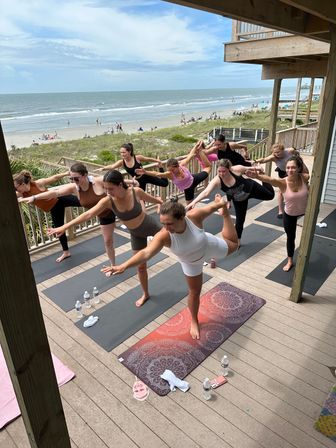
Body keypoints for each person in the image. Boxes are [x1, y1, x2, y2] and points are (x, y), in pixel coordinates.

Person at [102, 195, 238, 340]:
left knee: (234, 245)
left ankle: (226, 216)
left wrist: (222, 204)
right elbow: (146, 253)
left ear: (182, 218)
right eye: (163, 224)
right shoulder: (163, 236)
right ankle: (194, 320)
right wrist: (124, 265)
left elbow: (212, 207)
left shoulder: (194, 216)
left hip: (209, 247)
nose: (166, 228)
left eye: (169, 224)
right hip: (190, 262)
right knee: (194, 292)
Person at [48, 170, 163, 306]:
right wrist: (64, 227)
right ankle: (145, 294)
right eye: (105, 188)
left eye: (111, 189)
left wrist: (160, 202)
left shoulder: (135, 192)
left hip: (151, 226)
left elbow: (152, 199)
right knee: (141, 267)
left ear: (120, 184)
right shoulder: (108, 201)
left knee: (176, 244)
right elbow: (88, 214)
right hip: (136, 234)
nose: (108, 192)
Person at [26, 163, 130, 266]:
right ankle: (113, 266)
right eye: (71, 179)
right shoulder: (74, 188)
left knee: (136, 232)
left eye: (76, 178)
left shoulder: (98, 181)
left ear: (85, 175)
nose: (73, 181)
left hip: (119, 208)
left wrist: (132, 182)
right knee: (108, 241)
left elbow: (117, 182)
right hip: (104, 216)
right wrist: (35, 197)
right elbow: (55, 193)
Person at [187, 159, 275, 247]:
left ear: (229, 169)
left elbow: (252, 168)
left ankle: (264, 177)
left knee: (270, 196)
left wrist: (259, 170)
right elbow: (206, 192)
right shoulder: (217, 180)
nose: (221, 174)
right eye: (219, 171)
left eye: (224, 171)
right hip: (239, 199)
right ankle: (238, 241)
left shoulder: (237, 169)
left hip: (251, 189)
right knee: (240, 220)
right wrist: (193, 202)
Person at [246, 155, 309, 272]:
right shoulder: (283, 183)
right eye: (288, 167)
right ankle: (290, 260)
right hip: (290, 214)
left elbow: (309, 173)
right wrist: (258, 176)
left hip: (306, 212)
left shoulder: (304, 178)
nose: (290, 170)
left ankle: (305, 254)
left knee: (309, 235)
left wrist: (298, 156)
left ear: (299, 168)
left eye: (293, 167)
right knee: (291, 237)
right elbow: (270, 180)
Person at [14, 170, 80, 262]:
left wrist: (66, 173)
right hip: (54, 209)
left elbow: (54, 178)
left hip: (60, 199)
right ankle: (66, 252)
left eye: (16, 188)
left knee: (84, 202)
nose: (16, 190)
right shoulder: (22, 193)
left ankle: (103, 205)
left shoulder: (37, 184)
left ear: (22, 184)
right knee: (59, 230)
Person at [135, 142, 211, 204]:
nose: (171, 171)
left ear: (177, 166)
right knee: (189, 206)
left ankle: (201, 151)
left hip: (194, 179)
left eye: (172, 169)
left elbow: (190, 155)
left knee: (208, 168)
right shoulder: (170, 174)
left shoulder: (182, 165)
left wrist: (196, 146)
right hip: (188, 189)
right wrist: (145, 172)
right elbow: (157, 174)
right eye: (169, 170)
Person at [99, 143, 168, 191]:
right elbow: (112, 166)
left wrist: (158, 161)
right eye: (121, 152)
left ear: (129, 152)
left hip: (146, 176)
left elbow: (148, 159)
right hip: (137, 181)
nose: (122, 154)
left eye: (124, 152)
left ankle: (161, 168)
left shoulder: (137, 158)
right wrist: (103, 168)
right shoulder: (122, 162)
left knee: (164, 183)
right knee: (140, 198)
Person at [255, 143, 299, 218]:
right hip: (283, 173)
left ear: (283, 150)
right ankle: (280, 211)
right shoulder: (273, 157)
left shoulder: (289, 151)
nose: (277, 154)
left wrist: (298, 162)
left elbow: (297, 154)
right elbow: (264, 159)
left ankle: (295, 207)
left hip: (293, 172)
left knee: (295, 190)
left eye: (278, 152)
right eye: (275, 152)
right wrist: (255, 161)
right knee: (281, 191)